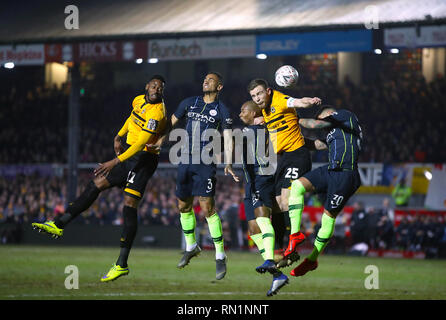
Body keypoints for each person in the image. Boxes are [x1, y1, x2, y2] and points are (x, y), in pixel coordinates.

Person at [31, 75, 168, 282]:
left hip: (144, 159)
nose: (157, 88)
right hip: (129, 155)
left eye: (161, 87)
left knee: (129, 205)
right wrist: (117, 136)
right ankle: (59, 224)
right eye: (154, 84)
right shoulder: (138, 100)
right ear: (147, 86)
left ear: (162, 91)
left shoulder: (157, 113)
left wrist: (114, 161)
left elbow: (141, 144)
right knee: (96, 184)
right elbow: (131, 119)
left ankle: (121, 264)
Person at [156, 72, 237, 280]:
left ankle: (220, 255)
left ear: (219, 87)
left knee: (207, 208)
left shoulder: (222, 110)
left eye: (210, 80)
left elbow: (228, 138)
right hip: (184, 159)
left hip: (205, 163)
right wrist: (160, 141)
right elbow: (171, 123)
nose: (205, 81)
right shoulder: (189, 103)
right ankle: (191, 246)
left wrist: (228, 162)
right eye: (204, 79)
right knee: (183, 206)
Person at [247, 79, 321, 267]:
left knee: (286, 199)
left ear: (268, 91)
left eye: (259, 93)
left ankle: (294, 240)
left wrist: (309, 101)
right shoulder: (265, 110)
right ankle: (283, 249)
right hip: (284, 159)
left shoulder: (279, 99)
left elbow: (296, 102)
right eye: (254, 96)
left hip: (297, 155)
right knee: (275, 203)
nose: (257, 98)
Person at [287, 105, 362, 277]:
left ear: (329, 113)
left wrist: (295, 120)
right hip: (331, 170)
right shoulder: (333, 132)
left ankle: (312, 259)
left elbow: (314, 125)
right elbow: (316, 144)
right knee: (297, 186)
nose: (320, 121)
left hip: (346, 174)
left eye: (321, 117)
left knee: (328, 218)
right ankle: (294, 236)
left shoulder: (346, 115)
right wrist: (292, 141)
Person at [239, 100, 288, 296]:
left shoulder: (259, 130)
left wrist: (265, 120)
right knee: (252, 228)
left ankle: (270, 258)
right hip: (250, 181)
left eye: (243, 110)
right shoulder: (249, 130)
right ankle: (277, 275)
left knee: (261, 218)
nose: (240, 113)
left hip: (262, 177)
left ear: (253, 113)